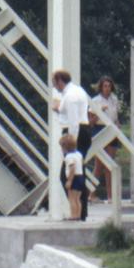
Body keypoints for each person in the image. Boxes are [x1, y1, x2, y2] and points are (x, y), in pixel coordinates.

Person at [50, 70, 92, 217]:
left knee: (67, 175)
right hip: (82, 131)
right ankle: (80, 212)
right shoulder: (77, 91)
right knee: (79, 172)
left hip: (76, 133)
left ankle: (78, 212)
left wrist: (70, 145)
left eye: (54, 83)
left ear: (60, 81)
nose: (54, 87)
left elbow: (74, 122)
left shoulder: (70, 96)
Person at [89, 76, 121, 200]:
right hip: (100, 129)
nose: (107, 88)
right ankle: (91, 194)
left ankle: (110, 196)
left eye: (109, 86)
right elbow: (90, 121)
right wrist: (99, 112)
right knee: (99, 165)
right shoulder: (95, 100)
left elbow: (116, 116)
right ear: (101, 87)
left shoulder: (114, 99)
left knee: (110, 164)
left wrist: (118, 124)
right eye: (105, 86)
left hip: (112, 129)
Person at [60, 132, 87, 222]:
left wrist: (69, 181)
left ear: (64, 147)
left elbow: (72, 168)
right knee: (78, 199)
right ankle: (78, 215)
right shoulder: (79, 154)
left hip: (74, 178)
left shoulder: (69, 157)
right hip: (81, 177)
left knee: (72, 198)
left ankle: (73, 215)